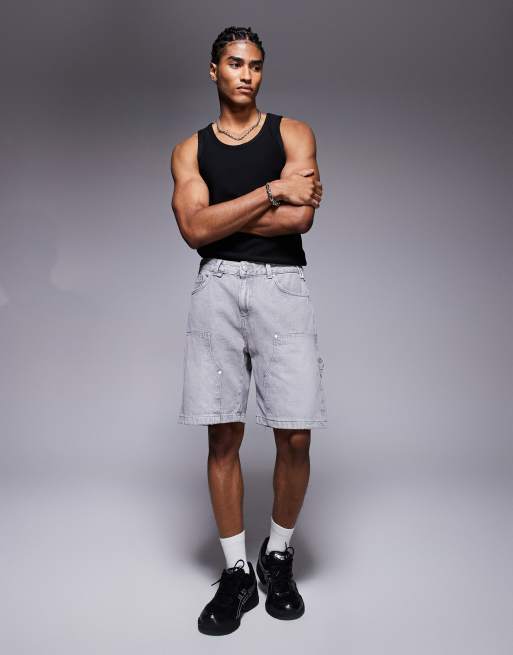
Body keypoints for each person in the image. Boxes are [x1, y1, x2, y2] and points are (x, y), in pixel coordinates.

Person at [170, 25, 327, 636]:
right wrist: (271, 192)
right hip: (216, 288)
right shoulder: (189, 150)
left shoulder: (294, 133)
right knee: (222, 435)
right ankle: (237, 572)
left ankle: (277, 555)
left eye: (256, 65)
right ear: (214, 70)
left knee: (296, 436)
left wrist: (223, 215)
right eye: (235, 64)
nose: (247, 75)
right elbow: (194, 231)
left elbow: (301, 218)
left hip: (282, 287)